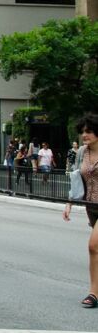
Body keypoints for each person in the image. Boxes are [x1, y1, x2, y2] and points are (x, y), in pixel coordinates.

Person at [62, 113, 98, 308]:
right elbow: (77, 179)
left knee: (93, 246)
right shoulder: (82, 152)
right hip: (91, 206)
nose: (85, 135)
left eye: (89, 131)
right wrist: (69, 203)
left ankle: (93, 293)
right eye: (83, 131)